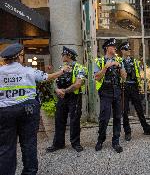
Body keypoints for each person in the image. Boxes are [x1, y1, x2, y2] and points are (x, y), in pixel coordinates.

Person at [0, 43, 69, 175]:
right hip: (27, 110)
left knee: (6, 146)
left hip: (5, 111)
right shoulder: (28, 71)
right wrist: (62, 71)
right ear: (19, 57)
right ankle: (29, 172)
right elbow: (48, 77)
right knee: (28, 144)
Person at [46, 46, 86, 153]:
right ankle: (58, 144)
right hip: (62, 97)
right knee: (59, 120)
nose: (62, 56)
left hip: (74, 97)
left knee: (74, 121)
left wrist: (64, 91)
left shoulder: (80, 68)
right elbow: (54, 81)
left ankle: (75, 143)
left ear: (68, 56)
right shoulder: (61, 67)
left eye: (63, 55)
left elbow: (78, 84)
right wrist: (56, 90)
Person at [94, 38, 127, 153]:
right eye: (112, 46)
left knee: (118, 117)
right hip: (105, 92)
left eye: (115, 47)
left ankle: (116, 141)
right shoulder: (99, 61)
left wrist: (119, 66)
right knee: (104, 118)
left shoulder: (119, 60)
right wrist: (106, 67)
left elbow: (124, 77)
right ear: (107, 48)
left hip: (117, 91)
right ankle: (100, 140)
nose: (115, 48)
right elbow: (97, 77)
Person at [119, 42, 150, 141]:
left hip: (134, 86)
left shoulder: (134, 61)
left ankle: (146, 129)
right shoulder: (119, 61)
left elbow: (139, 73)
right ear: (122, 50)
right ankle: (127, 132)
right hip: (124, 87)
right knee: (125, 111)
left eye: (129, 49)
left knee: (139, 109)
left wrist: (140, 86)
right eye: (127, 49)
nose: (129, 51)